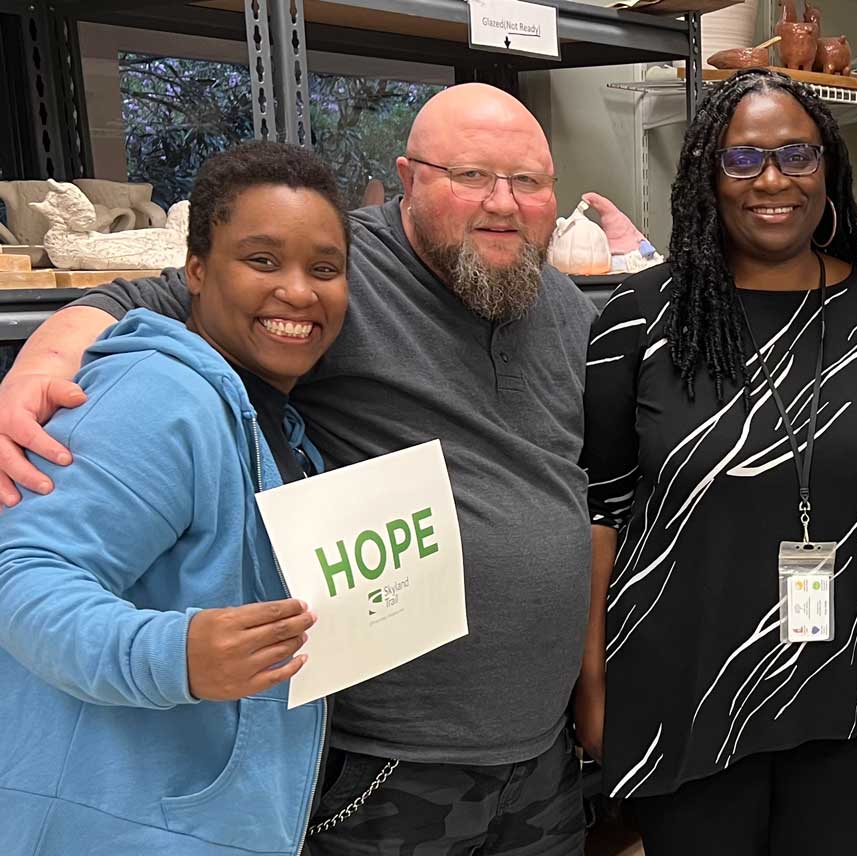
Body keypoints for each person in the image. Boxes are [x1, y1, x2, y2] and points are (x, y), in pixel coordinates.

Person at [0, 84, 594, 854]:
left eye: (529, 182)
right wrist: (35, 367)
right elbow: (131, 295)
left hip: (539, 757)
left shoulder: (565, 305)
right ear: (408, 178)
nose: (503, 204)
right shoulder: (313, 288)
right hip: (382, 762)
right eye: (471, 176)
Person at [577, 68, 857, 856]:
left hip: (848, 686)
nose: (772, 180)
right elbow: (601, 512)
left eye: (797, 156)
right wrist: (593, 684)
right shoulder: (639, 317)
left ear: (828, 170)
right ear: (709, 174)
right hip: (687, 686)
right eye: (743, 160)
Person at [0, 141, 346, 854]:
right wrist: (173, 655)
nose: (299, 291)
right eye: (261, 260)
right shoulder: (158, 396)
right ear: (193, 270)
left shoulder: (267, 412)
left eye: (324, 269)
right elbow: (21, 575)